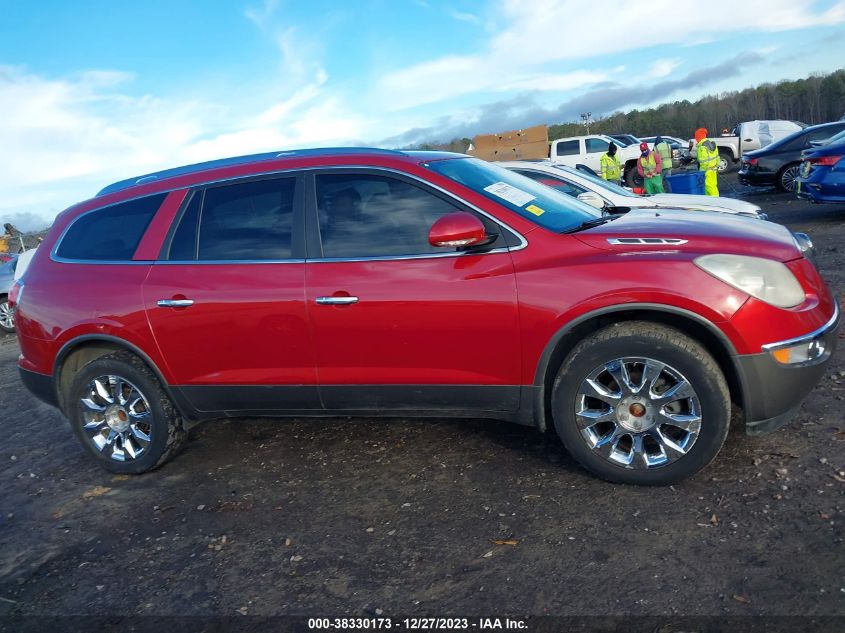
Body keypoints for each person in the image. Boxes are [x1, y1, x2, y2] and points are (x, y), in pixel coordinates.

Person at [695, 128, 720, 196]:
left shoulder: (702, 147)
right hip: (713, 169)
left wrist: (701, 172)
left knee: (708, 187)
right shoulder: (712, 144)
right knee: (713, 186)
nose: (696, 139)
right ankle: (714, 200)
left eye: (696, 137)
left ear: (699, 137)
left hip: (706, 171)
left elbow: (704, 162)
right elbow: (717, 157)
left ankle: (714, 202)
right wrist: (716, 167)